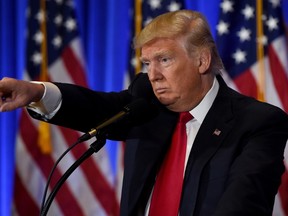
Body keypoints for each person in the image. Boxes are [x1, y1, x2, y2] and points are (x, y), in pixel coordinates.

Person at [0, 9, 288, 216]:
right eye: (148, 63)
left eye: (164, 60)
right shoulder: (146, 103)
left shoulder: (257, 123)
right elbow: (97, 108)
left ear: (202, 60)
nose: (154, 75)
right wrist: (36, 93)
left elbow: (244, 203)